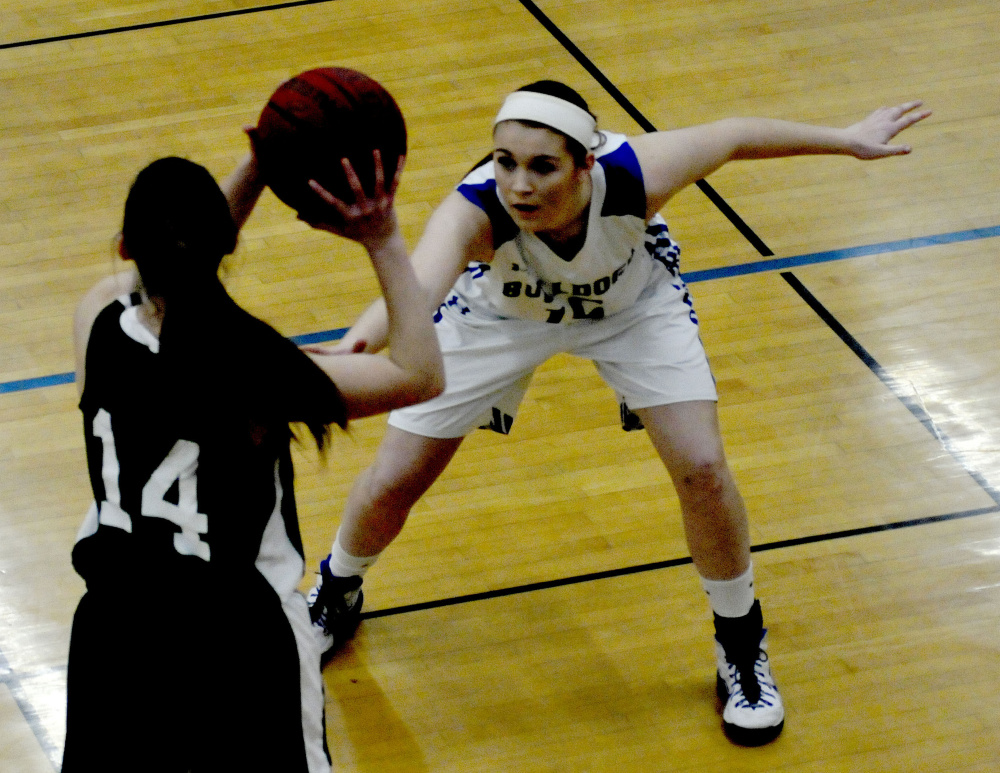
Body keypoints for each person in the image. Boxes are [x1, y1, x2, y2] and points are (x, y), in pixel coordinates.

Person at [305, 80, 931, 746]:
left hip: (631, 308)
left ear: (587, 164)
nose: (518, 182)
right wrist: (352, 347)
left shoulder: (638, 174)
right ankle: (338, 588)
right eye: (505, 161)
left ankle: (740, 644)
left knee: (703, 467)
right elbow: (418, 286)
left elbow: (735, 132)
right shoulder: (474, 212)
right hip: (499, 315)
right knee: (398, 476)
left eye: (542, 165)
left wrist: (847, 139)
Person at [61, 150, 443, 772]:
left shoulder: (97, 324)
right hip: (233, 636)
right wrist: (382, 238)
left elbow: (182, 255)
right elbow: (421, 374)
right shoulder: (258, 369)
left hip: (114, 629)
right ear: (222, 243)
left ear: (127, 246)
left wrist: (258, 164)